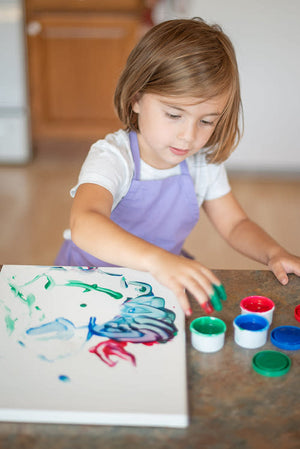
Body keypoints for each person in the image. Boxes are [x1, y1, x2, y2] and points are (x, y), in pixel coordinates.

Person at [55, 18, 300, 316]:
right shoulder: (113, 157)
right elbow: (85, 223)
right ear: (136, 99)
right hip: (86, 284)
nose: (189, 136)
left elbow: (235, 225)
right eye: (174, 115)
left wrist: (274, 252)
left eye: (206, 121)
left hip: (154, 285)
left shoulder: (201, 161)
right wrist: (158, 260)